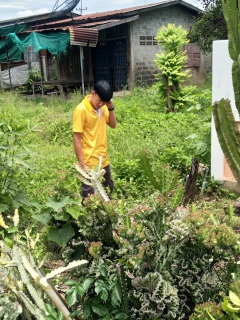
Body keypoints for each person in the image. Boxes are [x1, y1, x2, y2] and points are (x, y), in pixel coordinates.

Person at [72, 80, 117, 199]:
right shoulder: (81, 110)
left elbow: (113, 125)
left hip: (103, 159)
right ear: (93, 93)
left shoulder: (103, 108)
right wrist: (82, 164)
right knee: (89, 198)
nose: (101, 104)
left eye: (104, 102)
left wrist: (111, 108)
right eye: (100, 100)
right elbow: (76, 138)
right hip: (89, 162)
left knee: (108, 193)